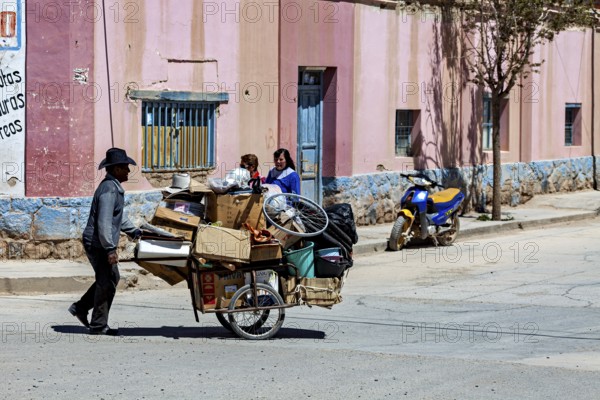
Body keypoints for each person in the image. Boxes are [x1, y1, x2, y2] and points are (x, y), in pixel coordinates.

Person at [68, 148, 141, 336]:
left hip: (101, 242)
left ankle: (81, 308)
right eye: (125, 167)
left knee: (110, 279)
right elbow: (103, 222)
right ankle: (98, 325)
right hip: (98, 243)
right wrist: (110, 249)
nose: (128, 171)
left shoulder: (113, 187)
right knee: (106, 281)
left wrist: (133, 230)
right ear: (116, 169)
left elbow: (117, 217)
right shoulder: (109, 189)